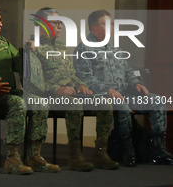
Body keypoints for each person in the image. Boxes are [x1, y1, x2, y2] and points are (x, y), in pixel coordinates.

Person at [0, 5, 60, 175]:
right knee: (18, 103)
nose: (0, 24)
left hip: (9, 94)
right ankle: (12, 158)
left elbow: (19, 64)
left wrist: (28, 51)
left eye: (0, 20)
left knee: (40, 102)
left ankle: (34, 156)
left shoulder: (4, 43)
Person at [73, 9, 173, 166]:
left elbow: (128, 72)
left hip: (125, 92)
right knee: (123, 106)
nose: (111, 27)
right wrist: (107, 90)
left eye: (112, 24)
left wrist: (136, 83)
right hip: (102, 96)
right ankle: (127, 149)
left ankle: (158, 149)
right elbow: (85, 78)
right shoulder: (84, 49)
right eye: (106, 24)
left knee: (157, 101)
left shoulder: (115, 49)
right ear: (93, 28)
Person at [29, 7, 119, 171]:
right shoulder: (33, 47)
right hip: (49, 95)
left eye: (60, 23)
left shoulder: (62, 47)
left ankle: (100, 153)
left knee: (104, 103)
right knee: (74, 105)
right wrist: (57, 89)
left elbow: (71, 74)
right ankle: (75, 156)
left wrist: (81, 85)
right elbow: (33, 82)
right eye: (55, 23)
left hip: (71, 92)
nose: (60, 26)